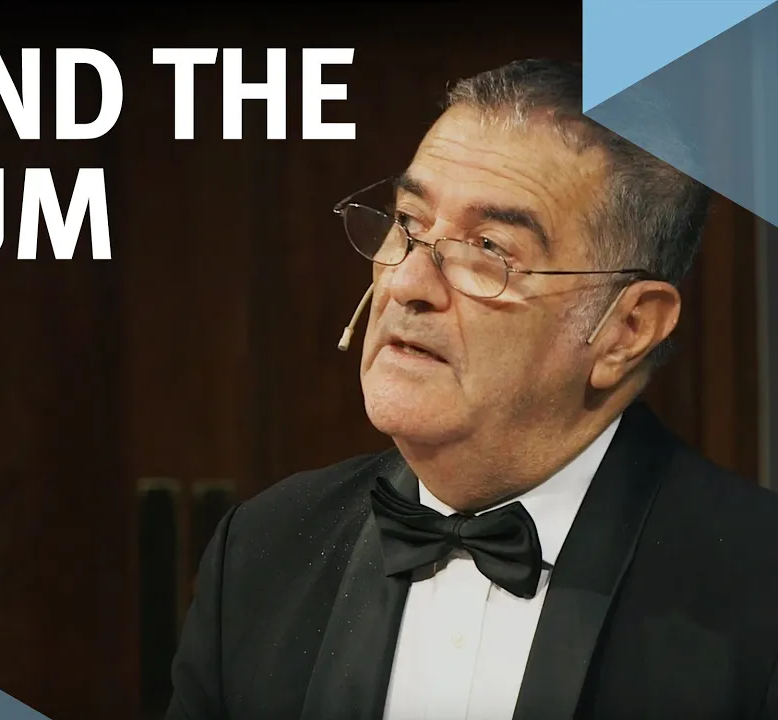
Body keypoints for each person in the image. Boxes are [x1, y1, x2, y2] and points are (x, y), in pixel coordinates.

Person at [165, 59, 778, 720]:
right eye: (407, 221)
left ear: (627, 329)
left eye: (488, 248)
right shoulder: (263, 550)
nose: (407, 284)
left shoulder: (757, 587)